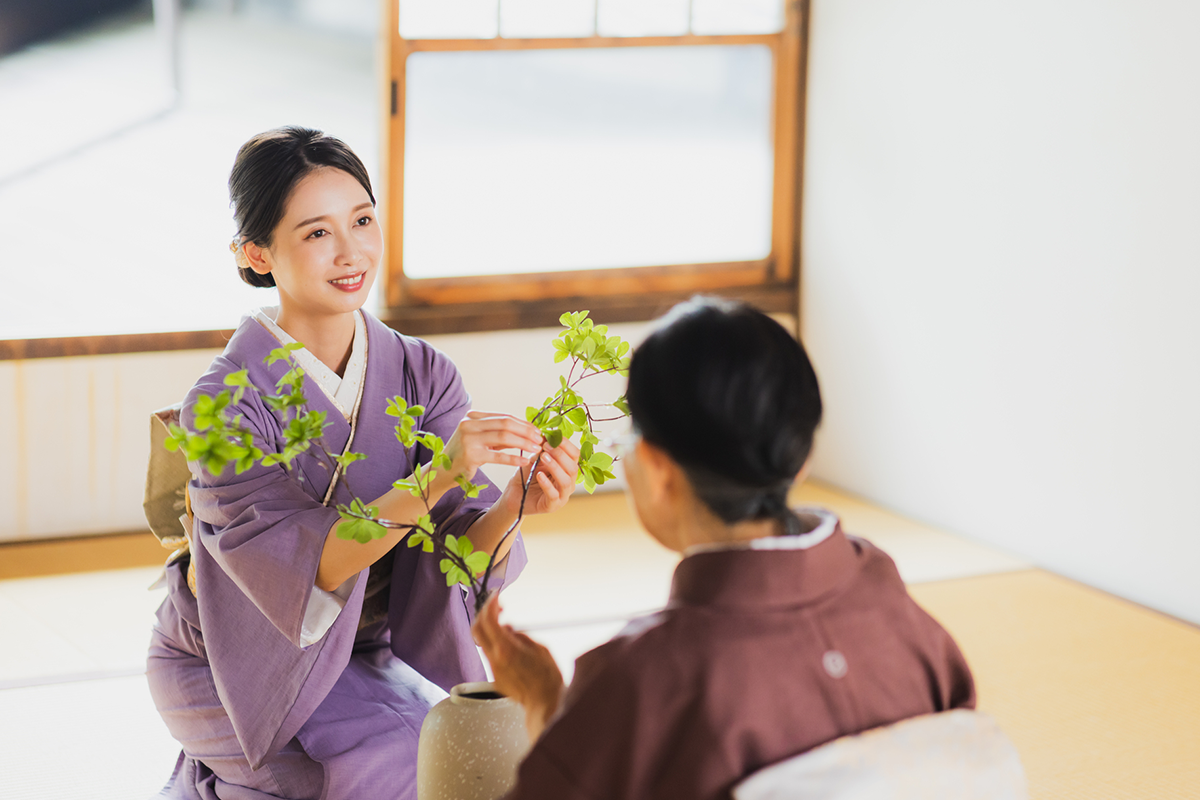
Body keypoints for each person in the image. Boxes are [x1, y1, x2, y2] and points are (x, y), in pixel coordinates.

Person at [147, 126, 580, 800]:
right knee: (359, 778)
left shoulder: (422, 372)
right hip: (234, 663)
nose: (351, 252)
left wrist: (513, 505)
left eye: (362, 220)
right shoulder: (222, 405)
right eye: (318, 233)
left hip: (363, 651)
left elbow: (447, 556)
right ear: (257, 253)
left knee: (470, 760)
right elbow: (310, 568)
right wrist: (440, 473)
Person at [473, 298, 977, 800]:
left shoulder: (639, 679)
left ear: (657, 469)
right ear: (800, 458)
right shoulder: (892, 602)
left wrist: (547, 707)